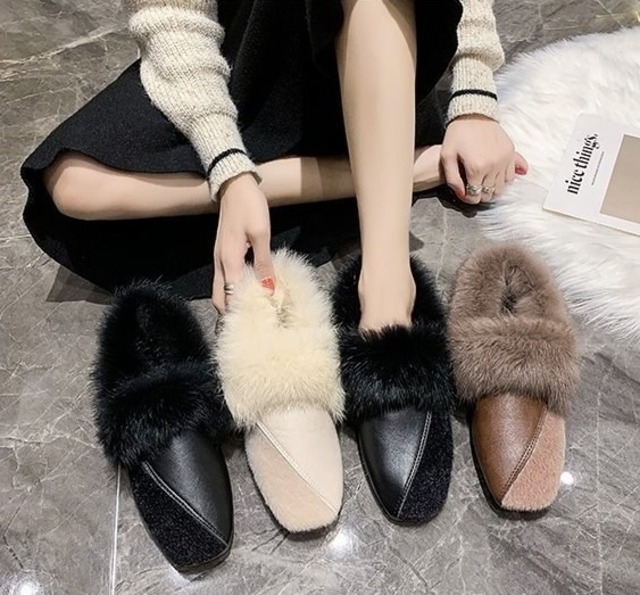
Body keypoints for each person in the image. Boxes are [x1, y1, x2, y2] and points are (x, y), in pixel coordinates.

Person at [21, 0, 527, 331]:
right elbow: (173, 16)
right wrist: (229, 170)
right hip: (249, 47)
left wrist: (475, 97)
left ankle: (388, 289)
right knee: (72, 183)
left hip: (378, 45)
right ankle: (404, 170)